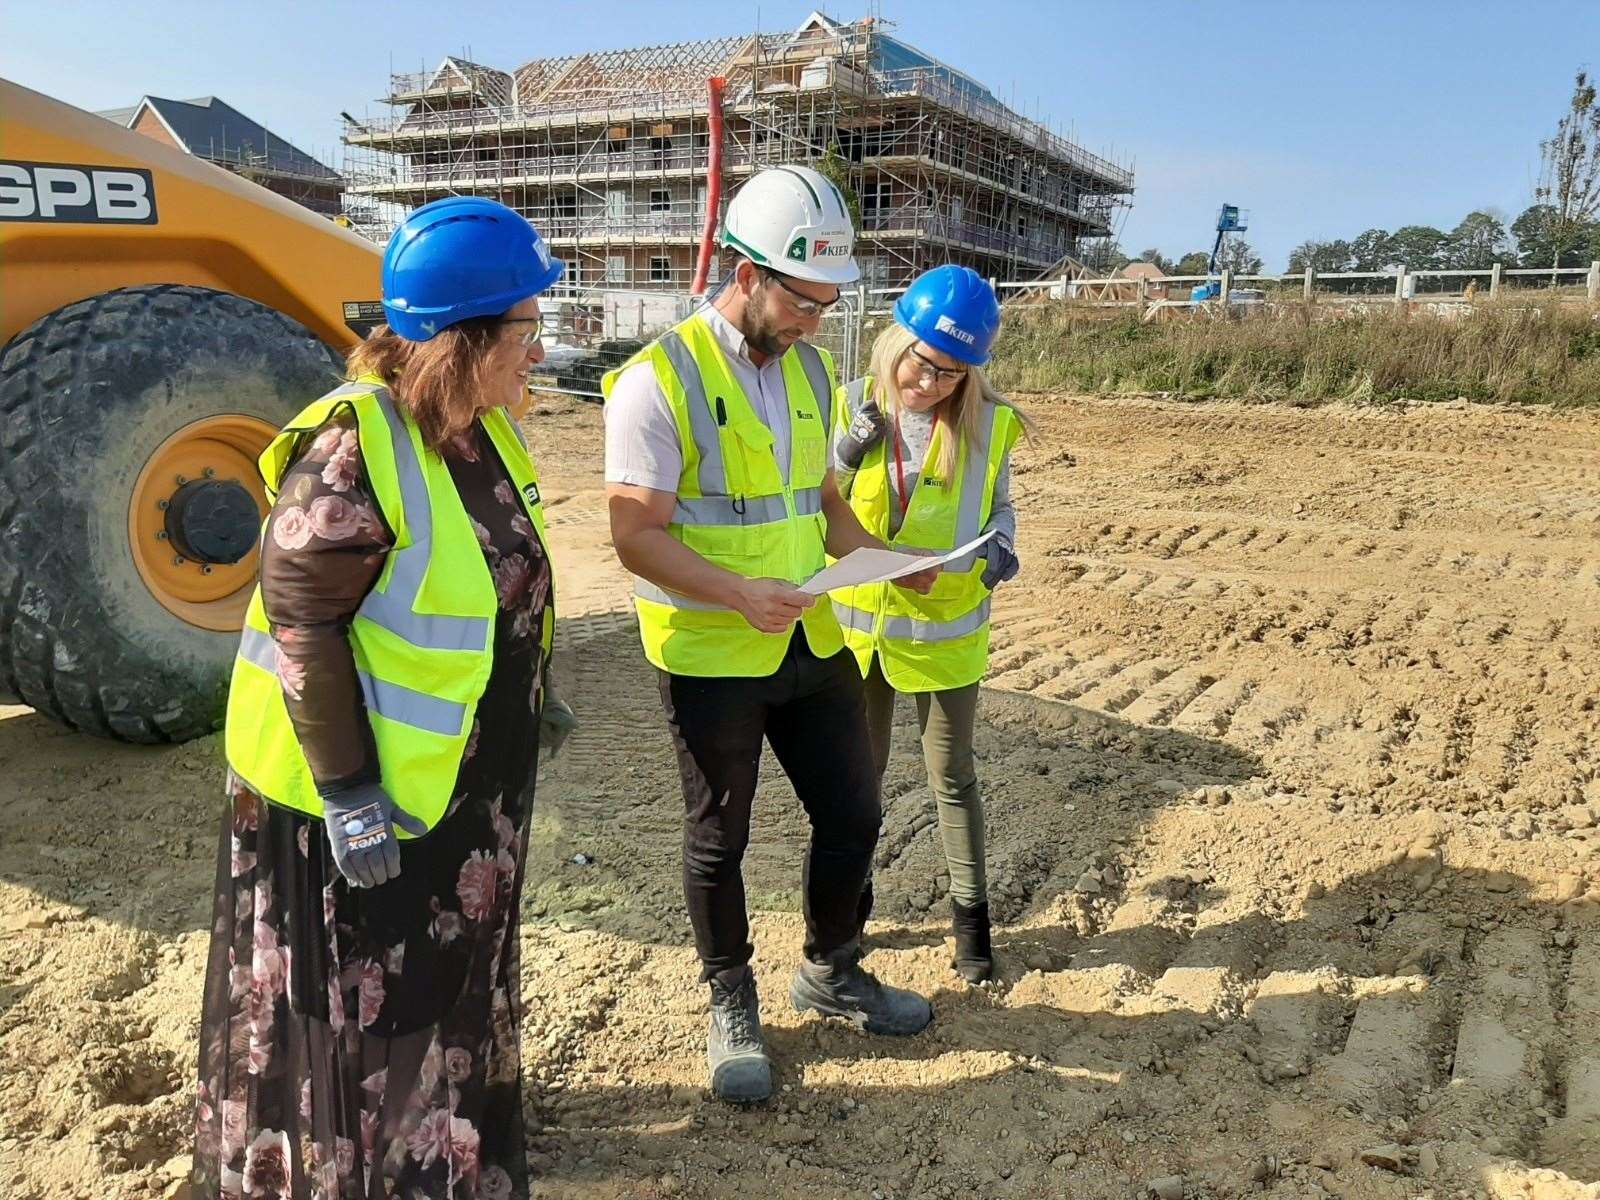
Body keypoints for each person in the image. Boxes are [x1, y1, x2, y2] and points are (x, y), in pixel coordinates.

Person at [192, 196, 574, 1199]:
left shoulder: (482, 433)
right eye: (527, 328)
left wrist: (531, 681)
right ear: (463, 340)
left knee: (439, 989)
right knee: (361, 1004)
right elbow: (301, 626)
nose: (540, 350)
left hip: (460, 784)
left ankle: (431, 1155)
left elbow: (489, 584)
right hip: (357, 796)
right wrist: (350, 793)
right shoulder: (354, 449)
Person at [603, 165, 939, 1104]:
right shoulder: (654, 382)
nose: (815, 322)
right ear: (744, 271)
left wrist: (883, 557)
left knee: (856, 813)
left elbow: (821, 502)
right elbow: (634, 534)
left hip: (810, 639)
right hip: (712, 652)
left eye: (828, 305)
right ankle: (729, 997)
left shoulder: (811, 369)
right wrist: (735, 593)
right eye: (802, 301)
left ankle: (831, 969)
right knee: (721, 838)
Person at [831, 265, 1028, 984]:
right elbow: (812, 496)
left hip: (944, 632)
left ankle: (972, 930)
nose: (932, 384)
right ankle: (847, 918)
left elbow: (999, 509)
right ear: (897, 341)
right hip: (859, 635)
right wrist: (851, 445)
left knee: (953, 778)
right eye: (924, 364)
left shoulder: (989, 423)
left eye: (951, 374)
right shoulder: (848, 403)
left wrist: (995, 555)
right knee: (858, 784)